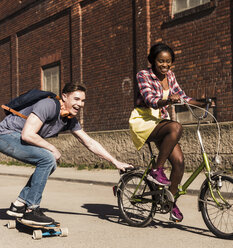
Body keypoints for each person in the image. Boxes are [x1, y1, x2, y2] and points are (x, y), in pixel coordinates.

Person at [1, 83, 133, 225]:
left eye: (83, 101)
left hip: (15, 136)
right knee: (47, 159)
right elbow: (27, 134)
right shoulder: (49, 105)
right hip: (5, 134)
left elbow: (89, 142)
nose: (80, 104)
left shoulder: (69, 120)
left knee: (49, 163)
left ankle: (19, 205)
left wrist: (116, 162)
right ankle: (31, 210)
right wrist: (52, 148)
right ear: (64, 96)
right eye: (76, 99)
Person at [129, 43, 206, 222]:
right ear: (153, 61)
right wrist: (166, 101)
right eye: (161, 61)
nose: (164, 65)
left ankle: (169, 202)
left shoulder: (170, 76)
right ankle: (157, 169)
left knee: (179, 163)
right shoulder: (143, 75)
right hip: (144, 120)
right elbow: (150, 99)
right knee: (176, 126)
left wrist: (203, 103)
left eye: (168, 62)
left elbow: (182, 96)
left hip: (160, 121)